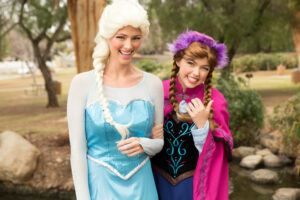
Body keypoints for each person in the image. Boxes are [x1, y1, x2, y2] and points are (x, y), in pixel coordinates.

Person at [67, 0, 164, 199]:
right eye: (121, 37)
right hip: (100, 186)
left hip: (143, 188)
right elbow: (77, 152)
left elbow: (159, 143)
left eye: (136, 38)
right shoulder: (81, 84)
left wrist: (145, 144)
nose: (129, 45)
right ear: (106, 37)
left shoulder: (153, 84)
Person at [151, 30, 233, 200]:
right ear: (178, 60)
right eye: (191, 63)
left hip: (193, 187)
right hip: (155, 183)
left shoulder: (216, 102)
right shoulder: (157, 91)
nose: (196, 73)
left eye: (204, 68)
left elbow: (221, 155)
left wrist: (203, 126)